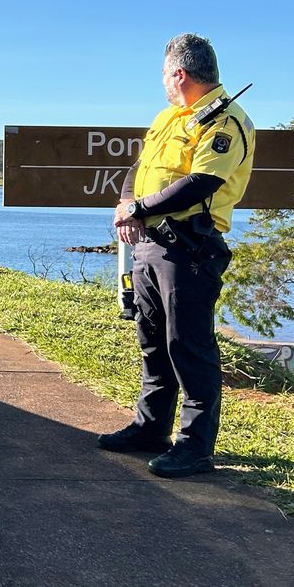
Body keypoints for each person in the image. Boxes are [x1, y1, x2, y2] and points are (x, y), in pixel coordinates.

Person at [99, 33, 255, 478]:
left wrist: (141, 209)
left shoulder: (224, 121)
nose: (164, 83)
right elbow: (140, 168)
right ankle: (151, 429)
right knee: (152, 341)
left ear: (178, 73)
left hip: (188, 247)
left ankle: (195, 447)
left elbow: (201, 182)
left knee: (188, 346)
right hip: (150, 244)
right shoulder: (170, 116)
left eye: (165, 75)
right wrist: (127, 207)